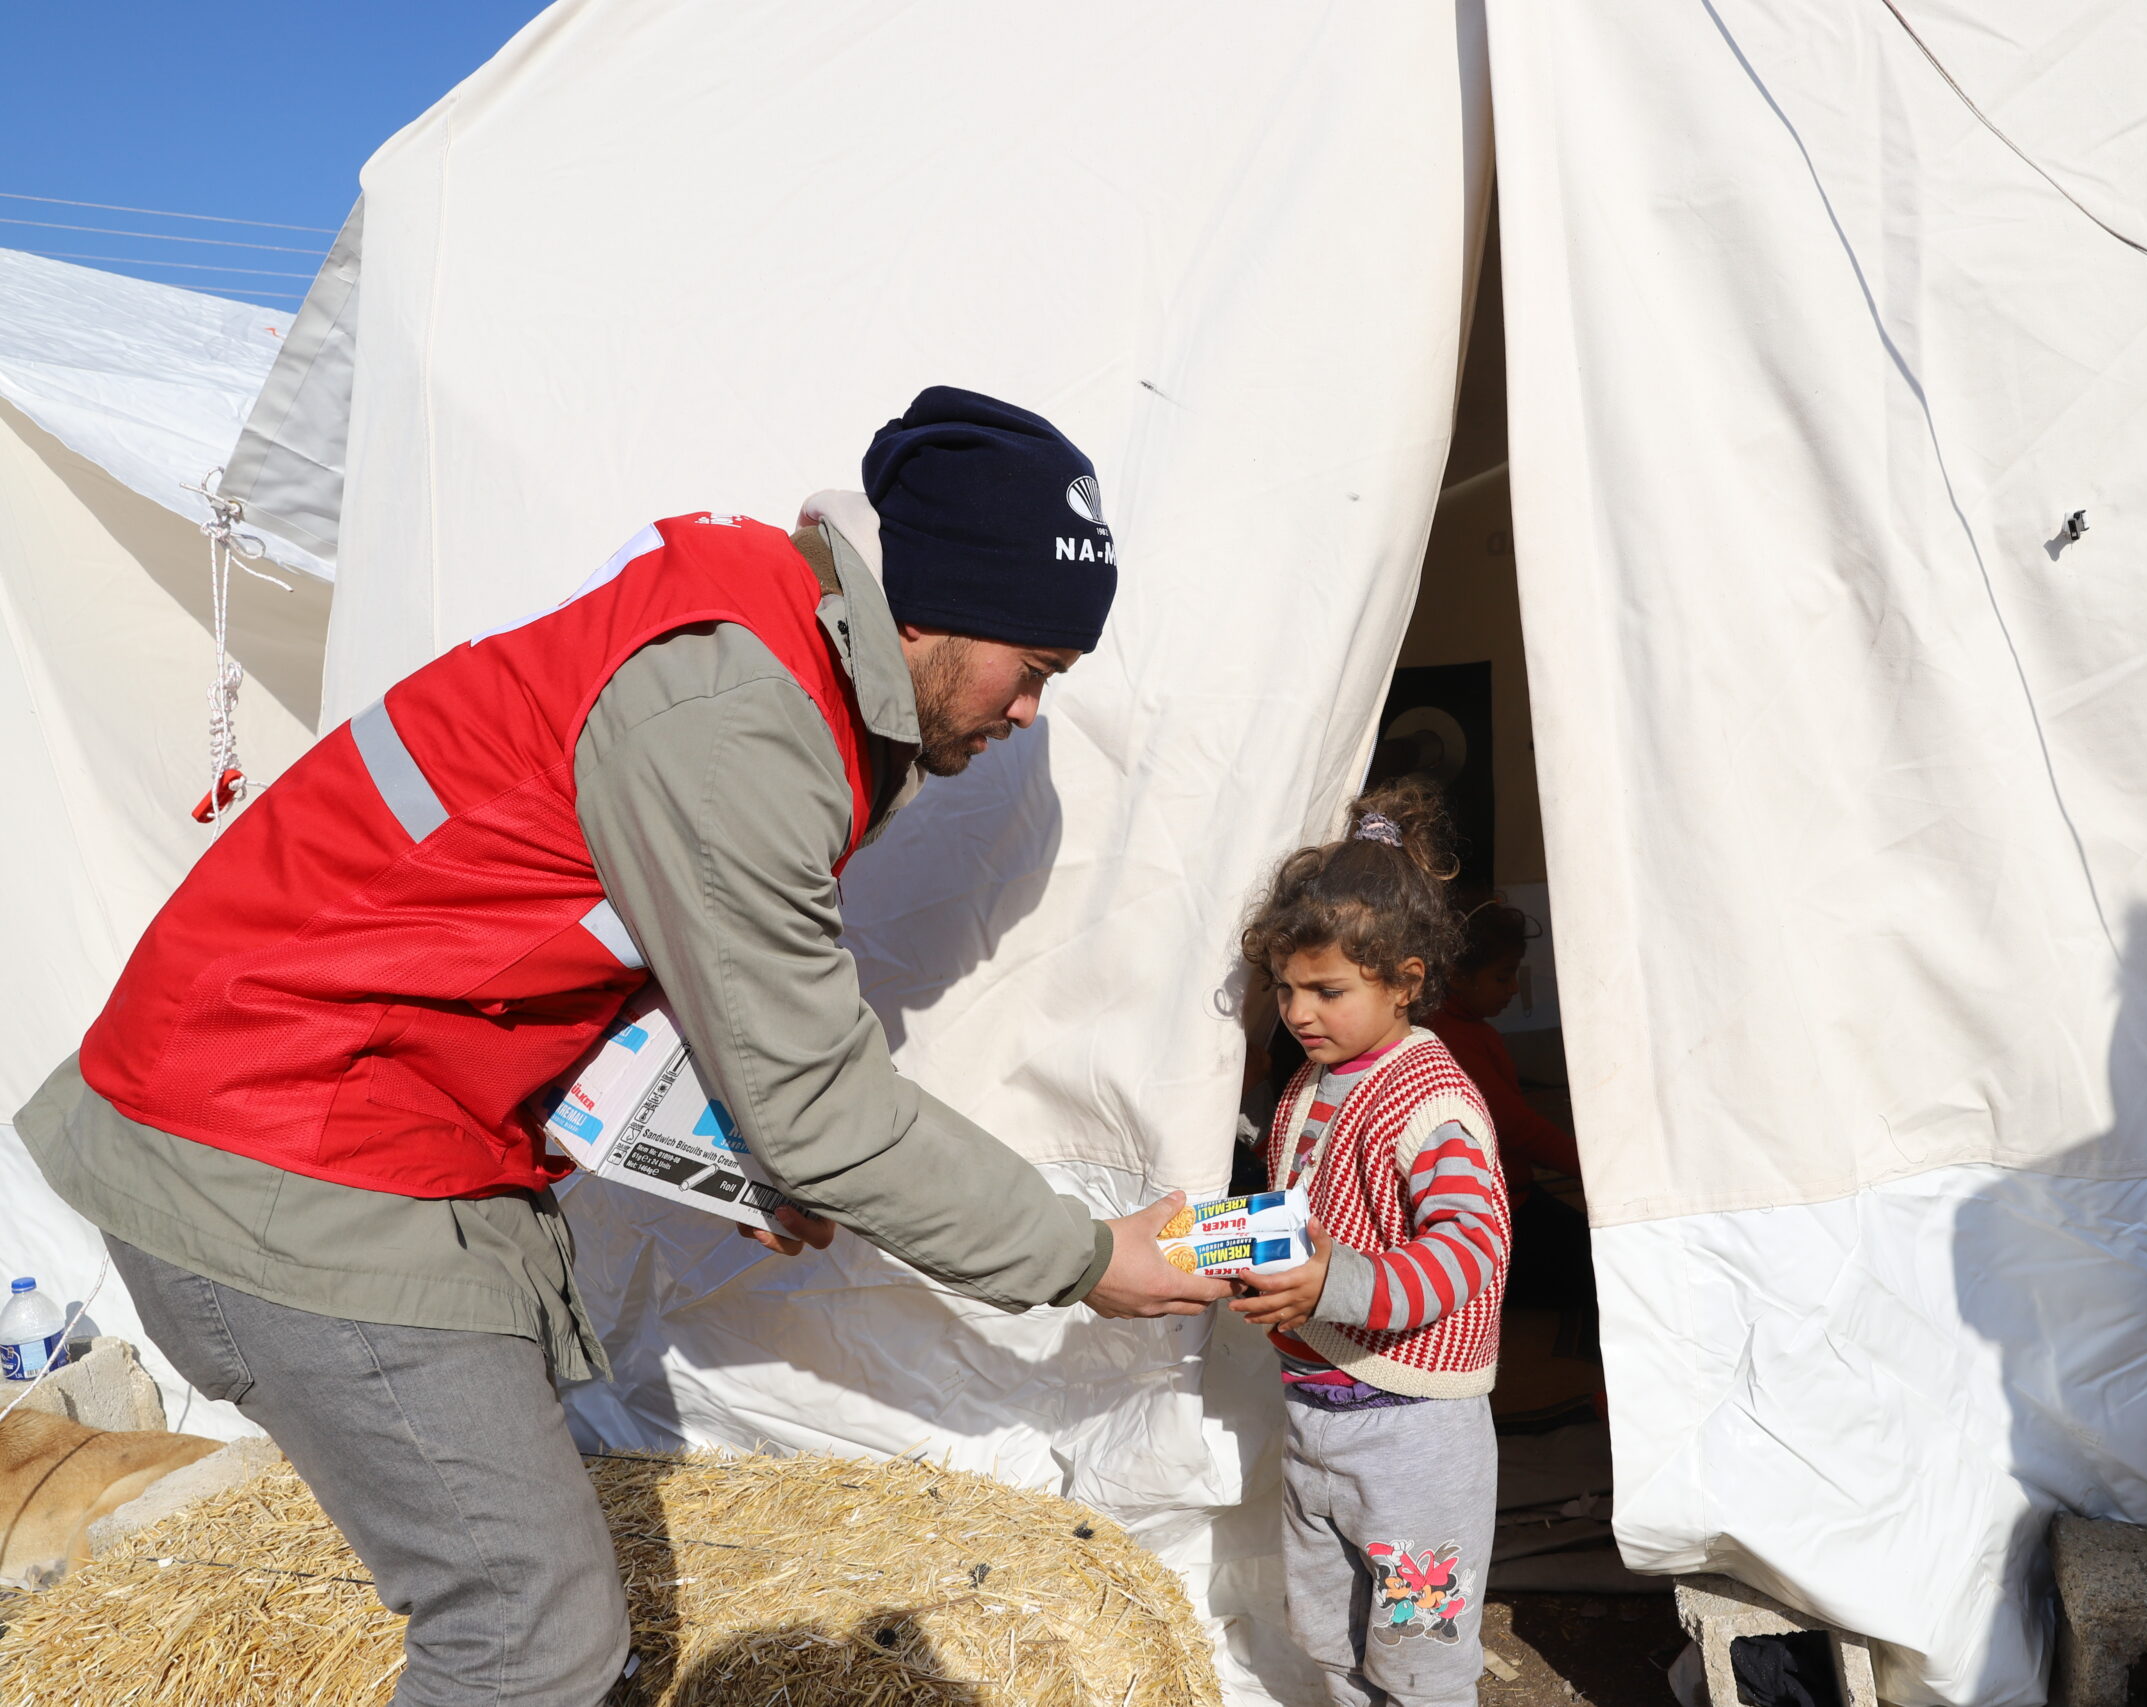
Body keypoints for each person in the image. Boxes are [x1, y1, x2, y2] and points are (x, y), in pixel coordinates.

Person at [13, 385, 1228, 1707]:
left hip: (329, 1114)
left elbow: (608, 935)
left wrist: (745, 1148)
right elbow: (823, 1101)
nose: (1028, 715)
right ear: (929, 607)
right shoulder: (739, 712)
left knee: (551, 1615)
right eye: (1033, 670)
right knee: (529, 1632)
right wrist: (1086, 1254)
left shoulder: (758, 632)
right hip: (282, 1144)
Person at [1230, 781, 1511, 1707]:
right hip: (1318, 1410)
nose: (1300, 1010)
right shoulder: (1314, 1079)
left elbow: (1473, 1246)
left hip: (1412, 1435)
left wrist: (1333, 1281)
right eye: (1285, 986)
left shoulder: (1429, 1098)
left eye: (1328, 989)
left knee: (1417, 1645)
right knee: (1328, 1629)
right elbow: (1304, 1210)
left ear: (1405, 980)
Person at [1425, 900, 1597, 1324]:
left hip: (1513, 1197)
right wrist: (1592, 1169)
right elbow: (1517, 1128)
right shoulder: (1452, 1038)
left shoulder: (1465, 1029)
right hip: (1494, 1217)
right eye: (1502, 977)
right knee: (1602, 1273)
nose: (1514, 989)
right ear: (1456, 977)